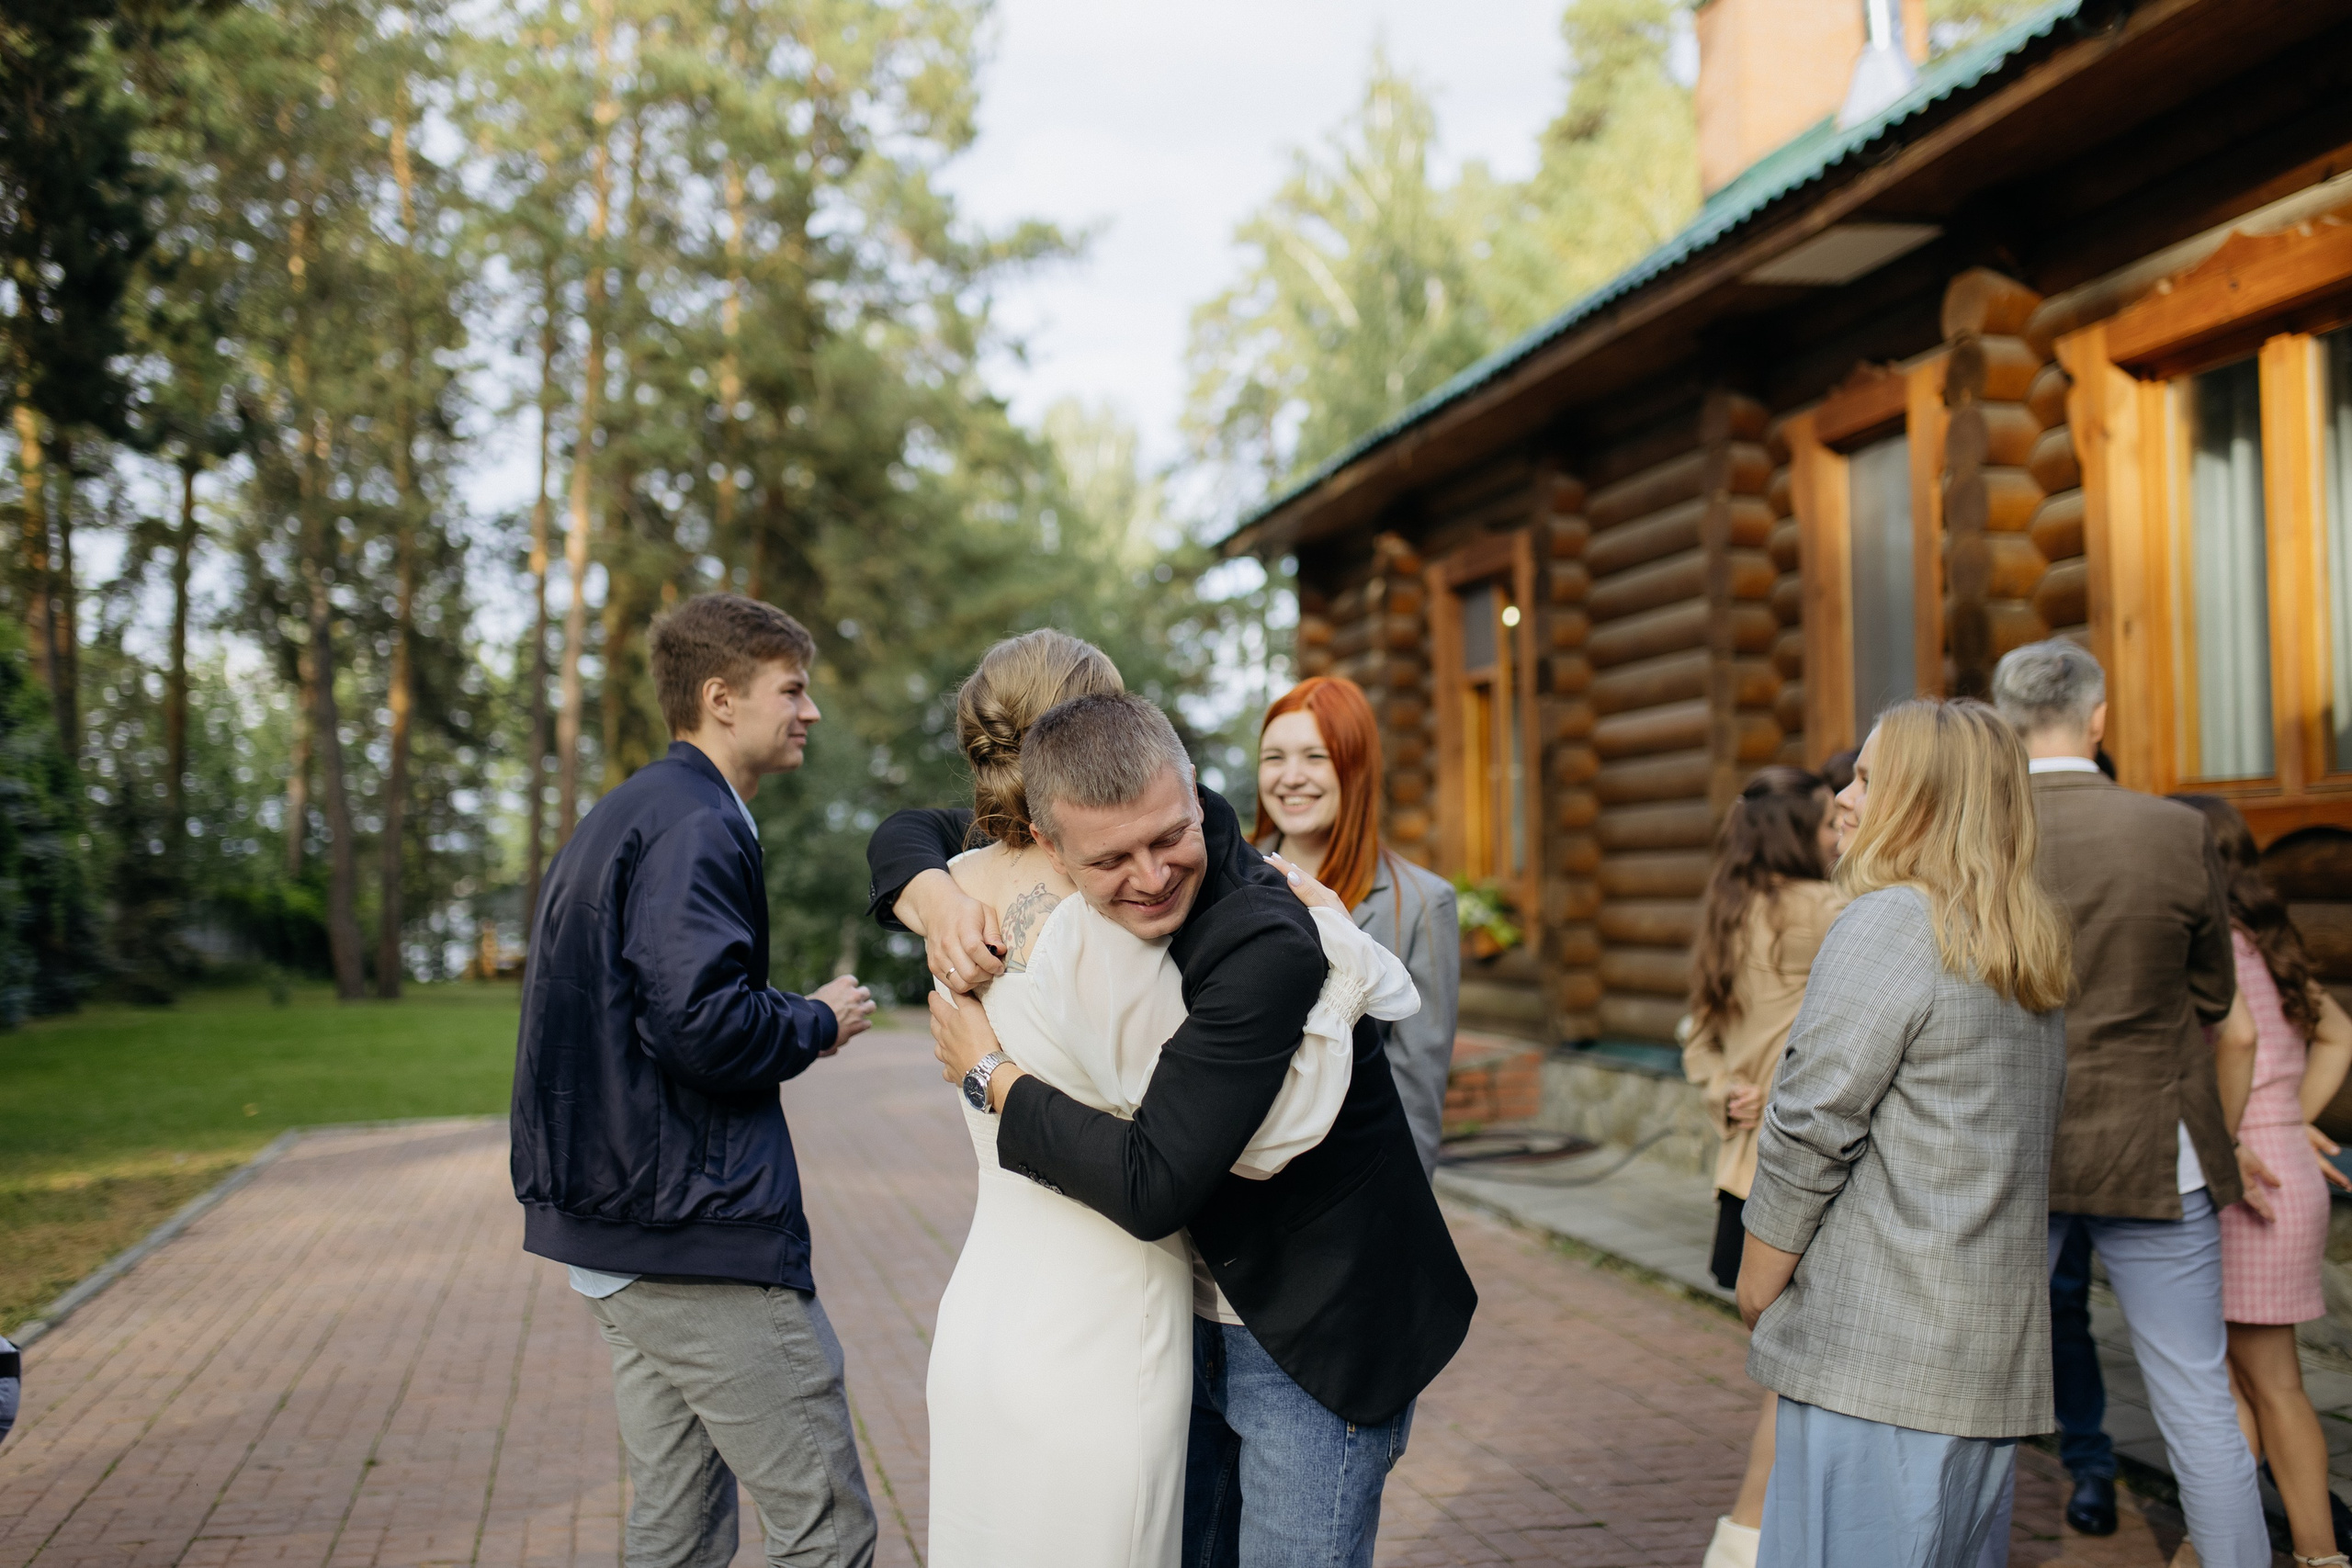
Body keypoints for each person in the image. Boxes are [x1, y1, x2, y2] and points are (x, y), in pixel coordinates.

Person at [873, 691, 1477, 1568]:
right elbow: (911, 827)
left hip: (1312, 1327)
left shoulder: (1267, 941)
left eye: (1169, 838)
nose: (1152, 875)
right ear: (1044, 845)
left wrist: (987, 1071)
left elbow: (1154, 1181)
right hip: (1175, 1324)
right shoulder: (1072, 830)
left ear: (1194, 791)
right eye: (1111, 857)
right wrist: (933, 893)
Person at [511, 594, 881, 1568]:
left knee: (675, 1534)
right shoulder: (696, 824)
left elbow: (657, 1005)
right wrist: (816, 1020)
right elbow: (701, 1024)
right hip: (693, 1234)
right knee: (827, 1531)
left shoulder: (632, 811)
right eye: (791, 690)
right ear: (721, 697)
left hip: (623, 1228)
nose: (809, 712)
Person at [1736, 698, 2072, 1566]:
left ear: (1922, 802)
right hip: (1976, 1350)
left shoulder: (1891, 920)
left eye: (1867, 778)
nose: (1841, 796)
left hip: (1880, 1350)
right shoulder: (2016, 933)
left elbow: (1814, 1120)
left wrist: (1758, 1272)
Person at [1990, 638, 2269, 1564]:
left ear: (2001, 719)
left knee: (1978, 1387)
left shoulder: (1977, 834)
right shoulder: (2170, 830)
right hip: (2155, 1139)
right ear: (2097, 717)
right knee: (2193, 1391)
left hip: (2008, 1142)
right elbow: (2212, 998)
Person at [2175, 795, 2352, 1562]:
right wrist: (2291, 1117)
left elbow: (2235, 1045)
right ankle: (2221, 1549)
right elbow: (2339, 1035)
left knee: (2264, 1385)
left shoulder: (2212, 945)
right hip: (2282, 1165)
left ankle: (2313, 1555)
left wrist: (2233, 1137)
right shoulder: (2265, 938)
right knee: (2251, 1386)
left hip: (2245, 1179)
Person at [1683, 767, 1847, 1568]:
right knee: (1798, 1382)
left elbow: (1697, 1035)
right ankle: (1745, 1542)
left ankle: (1766, 1539)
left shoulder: (1729, 909)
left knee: (1793, 1374)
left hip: (1739, 1171)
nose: (1836, 835)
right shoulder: (1823, 909)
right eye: (1825, 824)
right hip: (1796, 1177)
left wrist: (1725, 1093)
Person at [1251, 675, 1460, 1176]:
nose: (1291, 776)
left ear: (1355, 767)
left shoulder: (1422, 904)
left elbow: (1416, 1089)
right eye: (1274, 757)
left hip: (1348, 1183)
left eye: (1316, 757)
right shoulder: (1228, 879)